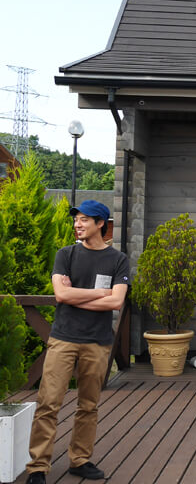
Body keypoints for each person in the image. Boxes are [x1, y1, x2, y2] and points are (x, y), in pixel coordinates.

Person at [25, 200, 129, 484]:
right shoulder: (66, 254)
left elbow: (117, 302)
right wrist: (100, 294)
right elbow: (61, 295)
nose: (77, 224)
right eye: (76, 219)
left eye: (84, 219)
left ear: (100, 224)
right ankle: (38, 467)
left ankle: (80, 460)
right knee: (48, 403)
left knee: (88, 405)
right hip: (63, 340)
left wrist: (77, 296)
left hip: (98, 342)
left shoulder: (117, 259)